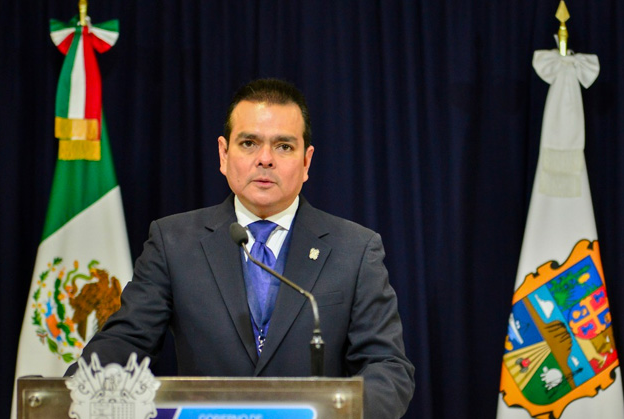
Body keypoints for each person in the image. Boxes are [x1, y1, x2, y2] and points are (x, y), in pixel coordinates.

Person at [67, 78, 415, 417]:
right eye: (249, 143)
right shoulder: (173, 242)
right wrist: (70, 394)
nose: (265, 159)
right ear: (223, 153)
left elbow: (387, 368)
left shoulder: (355, 249)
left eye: (283, 146)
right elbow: (125, 343)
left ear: (306, 161)